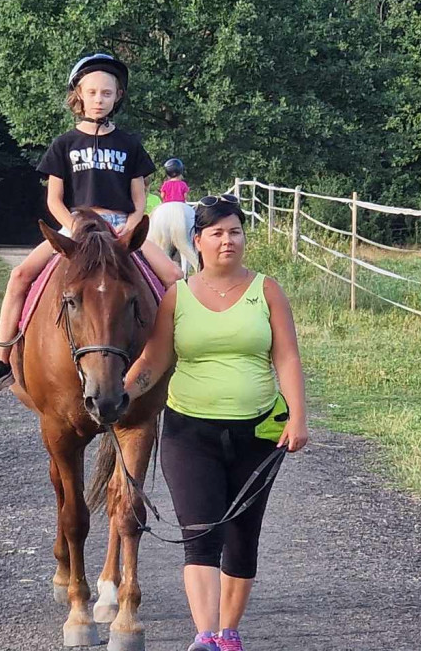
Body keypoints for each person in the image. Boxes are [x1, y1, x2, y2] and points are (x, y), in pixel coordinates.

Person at [123, 194, 308, 651]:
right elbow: (154, 358)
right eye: (218, 233)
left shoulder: (267, 289)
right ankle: (206, 636)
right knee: (201, 532)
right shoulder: (177, 296)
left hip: (259, 433)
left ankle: (229, 632)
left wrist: (298, 415)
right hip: (190, 432)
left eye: (236, 232)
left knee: (242, 537)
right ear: (197, 241)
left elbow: (285, 355)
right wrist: (119, 394)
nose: (228, 241)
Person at [0, 53, 184, 396]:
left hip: (119, 227)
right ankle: (0, 360)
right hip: (76, 227)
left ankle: (183, 355)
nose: (99, 99)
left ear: (118, 97)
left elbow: (139, 201)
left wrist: (127, 229)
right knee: (20, 276)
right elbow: (54, 199)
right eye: (92, 93)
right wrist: (75, 226)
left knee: (174, 277)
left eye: (106, 93)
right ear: (79, 96)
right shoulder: (64, 144)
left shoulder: (130, 145)